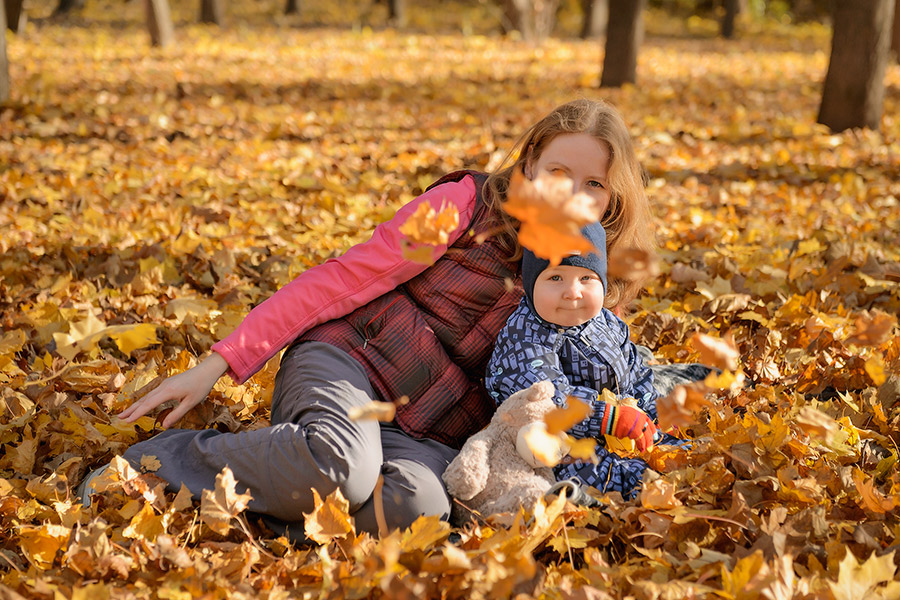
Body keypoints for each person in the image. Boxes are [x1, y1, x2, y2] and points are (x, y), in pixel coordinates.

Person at [80, 98, 687, 537]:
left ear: (613, 196)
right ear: (530, 161)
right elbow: (339, 280)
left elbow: (609, 370)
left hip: (429, 432)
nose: (572, 195)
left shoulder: (593, 273)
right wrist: (219, 363)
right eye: (558, 172)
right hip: (354, 363)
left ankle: (258, 510)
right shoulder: (463, 206)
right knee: (342, 467)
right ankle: (163, 462)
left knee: (419, 511)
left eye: (594, 184)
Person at [486, 223, 678, 501]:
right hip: (556, 437)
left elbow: (634, 370)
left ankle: (668, 466)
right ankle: (620, 493)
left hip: (617, 423)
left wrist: (651, 412)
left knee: (669, 449)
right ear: (530, 285)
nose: (573, 292)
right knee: (593, 470)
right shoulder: (525, 337)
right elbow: (548, 402)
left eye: (586, 278)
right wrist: (607, 416)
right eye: (555, 278)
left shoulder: (606, 322)